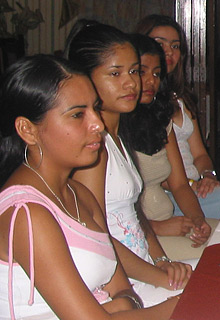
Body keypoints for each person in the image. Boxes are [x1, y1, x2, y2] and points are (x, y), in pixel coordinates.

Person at [0, 55, 177, 319]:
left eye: (95, 109)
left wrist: (120, 305)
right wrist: (175, 306)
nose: (97, 124)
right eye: (77, 115)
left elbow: (125, 291)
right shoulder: (26, 214)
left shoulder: (79, 195)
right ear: (28, 130)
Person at [65, 20, 197, 307]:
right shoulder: (91, 151)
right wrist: (159, 277)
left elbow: (134, 212)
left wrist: (161, 260)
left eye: (134, 71)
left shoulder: (117, 134)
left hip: (144, 266)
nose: (132, 83)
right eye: (116, 73)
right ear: (86, 79)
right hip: (117, 282)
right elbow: (98, 240)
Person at [120, 34, 217, 260]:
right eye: (141, 72)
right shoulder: (110, 128)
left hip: (172, 221)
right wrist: (156, 228)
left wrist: (197, 220)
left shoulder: (160, 119)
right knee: (218, 257)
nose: (150, 81)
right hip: (140, 237)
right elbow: (108, 214)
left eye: (156, 74)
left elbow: (180, 185)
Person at [136, 14, 220, 219]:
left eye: (175, 46)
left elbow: (199, 154)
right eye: (159, 44)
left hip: (194, 188)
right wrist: (192, 185)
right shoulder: (139, 105)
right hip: (168, 195)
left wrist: (208, 176)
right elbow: (155, 171)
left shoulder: (180, 98)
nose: (168, 52)